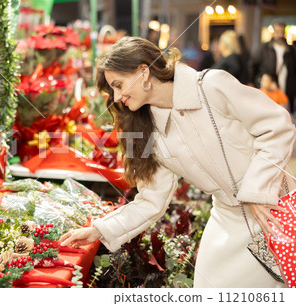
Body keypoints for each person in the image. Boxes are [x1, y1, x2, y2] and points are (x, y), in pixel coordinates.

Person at [59, 36, 295, 288]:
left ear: (143, 72)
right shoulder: (147, 131)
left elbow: (277, 127)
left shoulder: (213, 86)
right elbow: (151, 200)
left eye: (119, 85)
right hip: (226, 221)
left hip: (275, 210)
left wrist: (258, 191)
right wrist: (100, 230)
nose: (116, 97)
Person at [250, 20, 296, 113]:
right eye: (277, 32)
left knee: (285, 114)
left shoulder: (291, 50)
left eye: (282, 32)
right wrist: (252, 83)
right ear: (273, 32)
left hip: (287, 90)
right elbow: (253, 66)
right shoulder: (264, 48)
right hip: (268, 90)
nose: (280, 35)